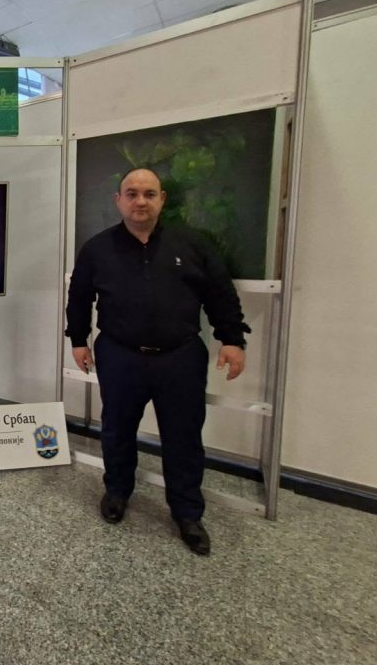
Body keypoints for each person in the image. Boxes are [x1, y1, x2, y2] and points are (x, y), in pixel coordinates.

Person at [65, 168, 249, 557]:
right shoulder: (97, 248)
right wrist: (78, 340)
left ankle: (187, 513)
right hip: (120, 356)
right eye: (131, 193)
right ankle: (117, 493)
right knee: (116, 430)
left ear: (162, 199)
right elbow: (79, 298)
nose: (140, 201)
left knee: (184, 438)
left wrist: (232, 339)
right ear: (118, 200)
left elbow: (221, 294)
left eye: (149, 194)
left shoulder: (194, 244)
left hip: (180, 358)